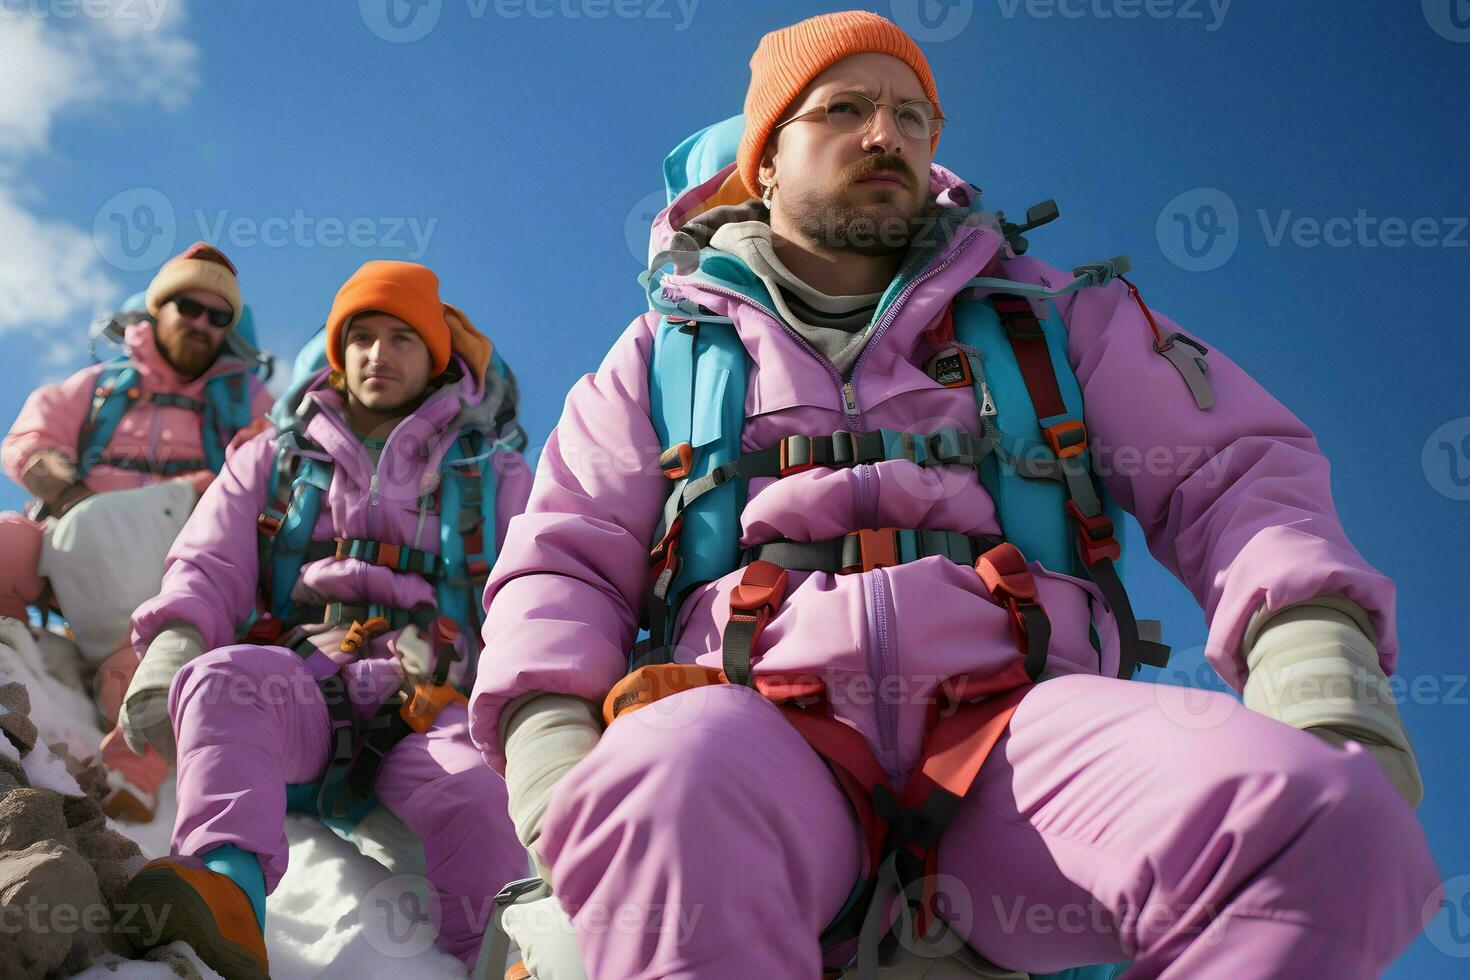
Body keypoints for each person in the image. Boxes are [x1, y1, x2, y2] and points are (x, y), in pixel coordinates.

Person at [469, 11, 1439, 979]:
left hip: (1023, 748)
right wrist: (554, 770)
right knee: (660, 787)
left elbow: (1230, 473)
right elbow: (563, 560)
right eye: (842, 108)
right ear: (762, 162)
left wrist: (1320, 668)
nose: (885, 134)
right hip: (751, 744)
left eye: (911, 115)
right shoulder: (660, 359)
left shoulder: (1050, 313)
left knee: (1326, 827)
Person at [115, 260, 534, 977]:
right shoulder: (272, 460)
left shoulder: (494, 475)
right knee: (220, 681)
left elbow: (538, 591)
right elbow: (208, 566)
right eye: (362, 336)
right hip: (298, 688)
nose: (378, 354)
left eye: (403, 338)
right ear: (339, 351)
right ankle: (228, 900)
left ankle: (503, 960)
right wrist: (169, 651)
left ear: (435, 356)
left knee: (476, 792)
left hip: (431, 704)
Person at [0, 242, 273, 821]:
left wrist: (204, 489)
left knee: (145, 654)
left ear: (230, 329)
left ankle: (132, 773)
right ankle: (20, 670)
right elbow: (29, 442)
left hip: (169, 564)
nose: (200, 323)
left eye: (217, 315)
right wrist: (70, 494)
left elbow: (274, 463)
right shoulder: (100, 386)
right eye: (185, 306)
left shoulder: (244, 402)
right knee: (6, 541)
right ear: (156, 310)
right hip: (71, 547)